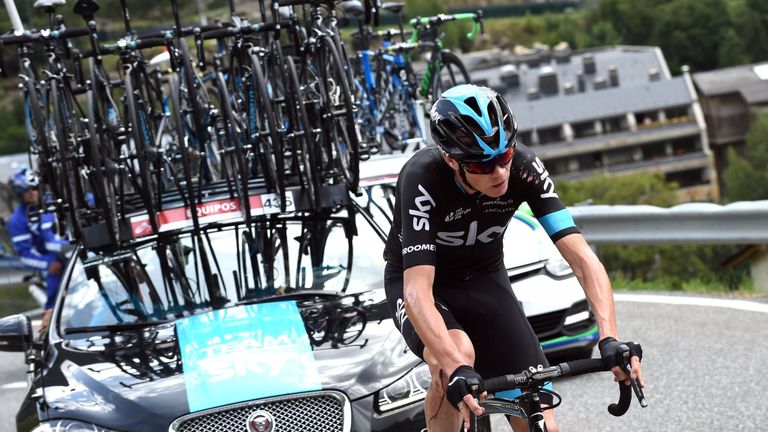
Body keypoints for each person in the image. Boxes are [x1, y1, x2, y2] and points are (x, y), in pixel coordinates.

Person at [382, 84, 644, 432]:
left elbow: (582, 258)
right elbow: (417, 291)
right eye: (483, 163)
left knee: (539, 413)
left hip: (484, 277)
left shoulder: (525, 167)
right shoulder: (422, 178)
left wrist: (609, 336)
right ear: (450, 159)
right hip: (421, 284)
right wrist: (456, 369)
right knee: (455, 357)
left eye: (504, 156)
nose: (500, 172)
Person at [7, 167, 69, 333]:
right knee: (55, 276)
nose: (32, 193)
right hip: (50, 264)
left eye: (34, 188)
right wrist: (48, 264)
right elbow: (25, 255)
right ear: (19, 195)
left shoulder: (57, 199)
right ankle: (50, 324)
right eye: (26, 191)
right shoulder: (16, 221)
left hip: (70, 249)